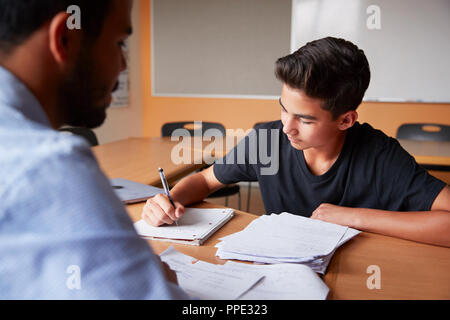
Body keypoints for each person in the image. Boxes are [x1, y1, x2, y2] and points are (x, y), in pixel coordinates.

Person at [142, 37, 450, 248]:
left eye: (304, 119)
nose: (287, 127)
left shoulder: (379, 155)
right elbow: (204, 180)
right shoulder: (267, 141)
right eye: (283, 108)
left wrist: (353, 217)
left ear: (345, 120)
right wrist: (170, 201)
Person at [0, 0, 187, 299]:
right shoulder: (50, 163)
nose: (124, 64)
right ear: (65, 38)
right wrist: (164, 284)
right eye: (119, 43)